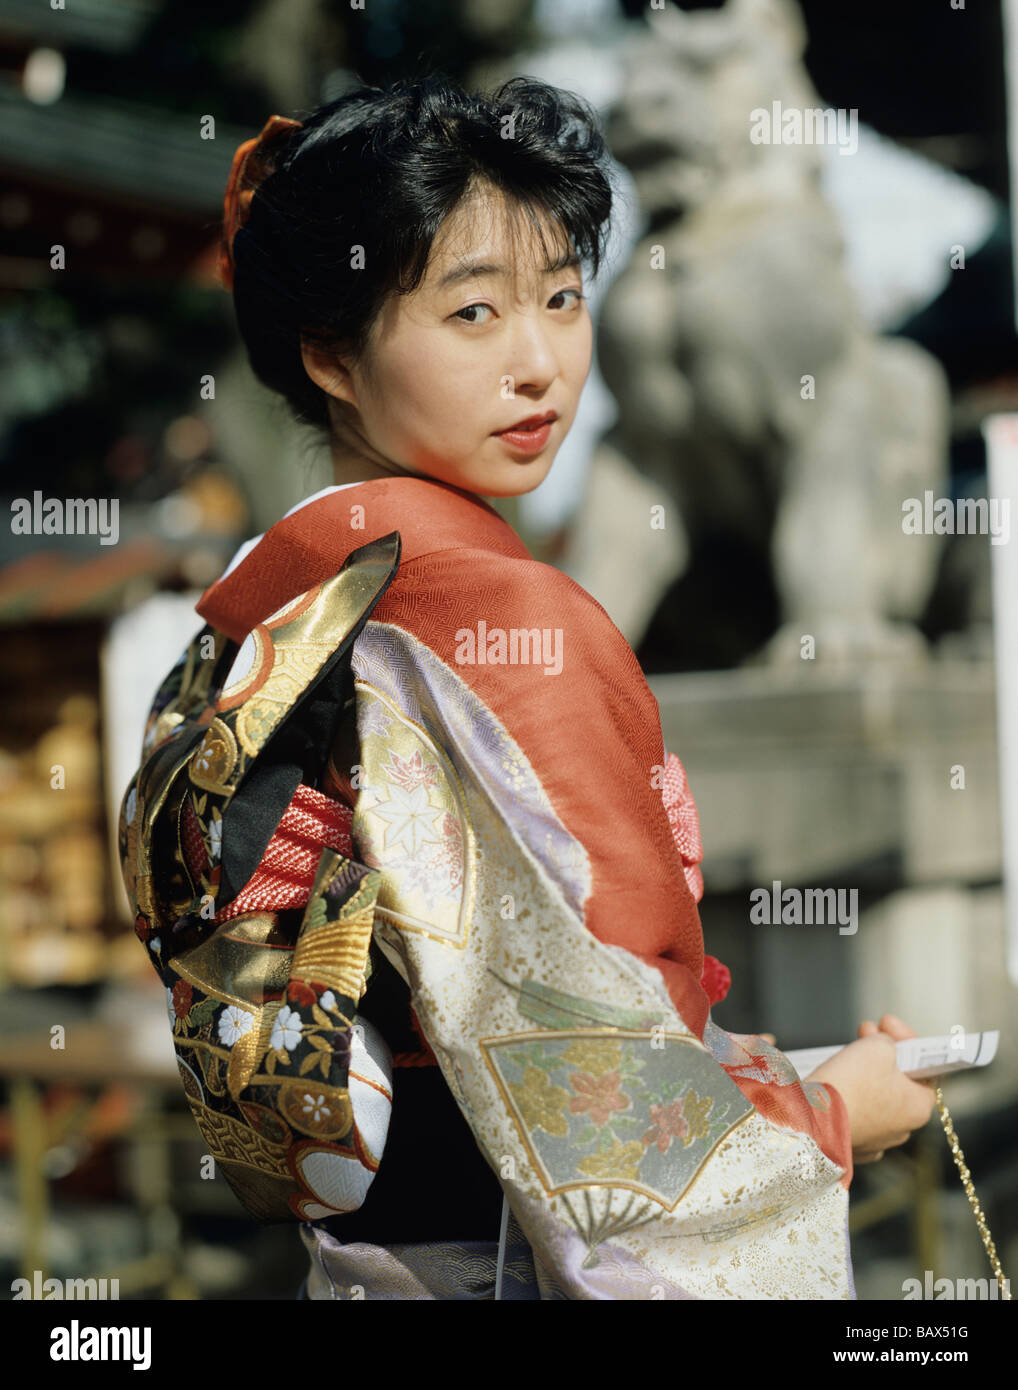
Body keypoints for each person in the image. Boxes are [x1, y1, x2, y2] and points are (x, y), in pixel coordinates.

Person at [122, 73, 936, 1299]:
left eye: (561, 299)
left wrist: (748, 1064)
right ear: (332, 355)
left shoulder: (256, 610)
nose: (539, 361)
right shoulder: (497, 612)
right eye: (472, 313)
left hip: (363, 1252)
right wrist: (826, 1116)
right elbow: (599, 1098)